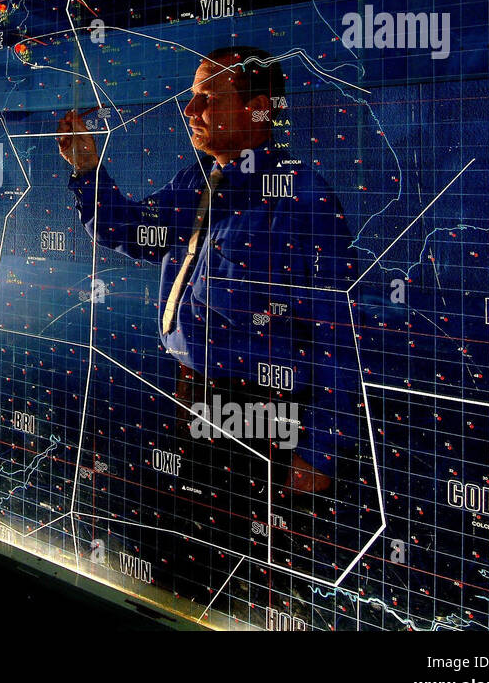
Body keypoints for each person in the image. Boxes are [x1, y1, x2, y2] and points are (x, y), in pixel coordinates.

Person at [57, 46, 357, 493]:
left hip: (263, 411)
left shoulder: (303, 198)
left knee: (251, 546)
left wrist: (321, 452)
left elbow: (338, 335)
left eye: (207, 98)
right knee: (193, 532)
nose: (189, 110)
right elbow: (134, 231)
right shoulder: (196, 181)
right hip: (192, 398)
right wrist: (87, 170)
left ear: (256, 110)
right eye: (192, 97)